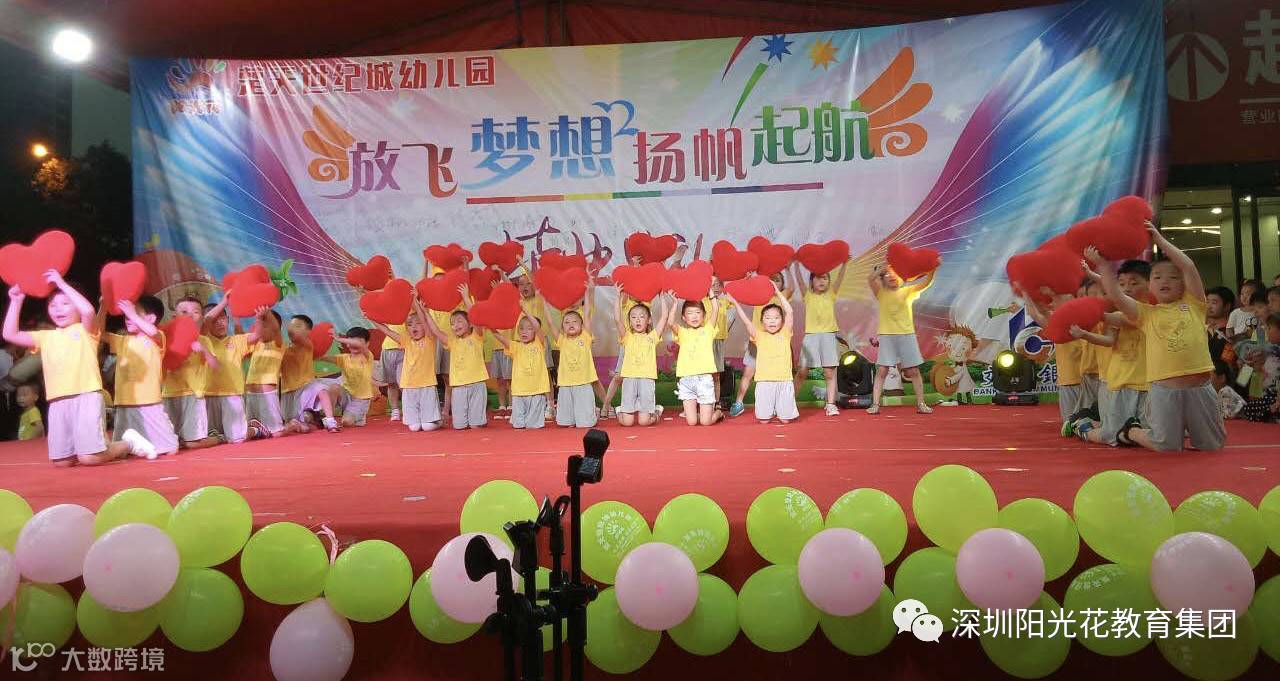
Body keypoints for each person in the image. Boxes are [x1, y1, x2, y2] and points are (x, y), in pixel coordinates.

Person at [3, 274, 156, 465]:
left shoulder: (87, 330)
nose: (58, 309)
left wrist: (61, 283)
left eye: (65, 303)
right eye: (53, 305)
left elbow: (88, 310)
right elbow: (10, 334)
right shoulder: (46, 337)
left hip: (86, 396)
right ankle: (98, 448)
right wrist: (16, 301)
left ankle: (129, 443)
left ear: (76, 303)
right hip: (58, 401)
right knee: (62, 461)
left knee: (89, 457)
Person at [1096, 226, 1225, 451]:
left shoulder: (1195, 304)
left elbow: (1188, 266)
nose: (1165, 280)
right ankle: (1131, 431)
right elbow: (1116, 295)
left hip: (1200, 388)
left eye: (1173, 277)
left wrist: (1159, 239)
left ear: (1183, 283)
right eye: (1157, 277)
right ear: (1150, 285)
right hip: (1164, 391)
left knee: (1212, 446)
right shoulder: (1145, 313)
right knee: (1166, 445)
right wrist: (1104, 266)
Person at [1069, 258, 1151, 445]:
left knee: (1143, 434)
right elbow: (1109, 340)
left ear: (1149, 283)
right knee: (1112, 436)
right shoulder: (1118, 314)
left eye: (1134, 283)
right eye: (1122, 284)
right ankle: (1082, 426)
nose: (1127, 288)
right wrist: (1084, 334)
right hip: (1121, 382)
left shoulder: (1154, 310)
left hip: (1150, 384)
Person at [99, 295, 178, 457]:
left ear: (151, 318)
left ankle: (158, 433)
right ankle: (134, 443)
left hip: (148, 402)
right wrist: (103, 308)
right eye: (127, 314)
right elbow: (98, 332)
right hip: (124, 402)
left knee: (170, 448)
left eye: (135, 312)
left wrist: (131, 312)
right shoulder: (122, 341)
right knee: (120, 452)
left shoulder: (157, 337)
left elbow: (152, 331)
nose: (128, 317)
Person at [866, 263, 935, 414]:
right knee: (882, 370)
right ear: (883, 279)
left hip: (907, 335)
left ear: (903, 277)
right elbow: (870, 279)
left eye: (895, 273)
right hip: (887, 336)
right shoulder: (880, 293)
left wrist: (933, 269)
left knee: (914, 370)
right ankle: (875, 404)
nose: (892, 276)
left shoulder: (908, 291)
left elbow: (926, 283)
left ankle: (921, 404)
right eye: (888, 274)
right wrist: (883, 269)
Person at [201, 298, 273, 442]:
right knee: (212, 435)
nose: (220, 323)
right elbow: (206, 321)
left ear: (228, 320)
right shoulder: (203, 339)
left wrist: (259, 319)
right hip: (207, 394)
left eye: (223, 318)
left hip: (232, 394)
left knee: (237, 438)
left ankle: (255, 429)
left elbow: (256, 336)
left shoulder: (236, 340)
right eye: (215, 320)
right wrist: (224, 301)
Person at [727, 281, 798, 424]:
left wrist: (777, 292)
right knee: (764, 421)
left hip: (784, 382)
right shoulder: (758, 335)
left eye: (776, 318)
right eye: (768, 318)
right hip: (764, 383)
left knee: (785, 420)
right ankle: (771, 409)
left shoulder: (785, 333)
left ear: (782, 320)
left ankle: (780, 409)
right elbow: (746, 321)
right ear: (762, 321)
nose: (772, 321)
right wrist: (735, 303)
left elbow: (790, 312)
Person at [371, 301, 443, 432]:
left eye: (418, 324)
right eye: (409, 325)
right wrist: (371, 318)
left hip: (426, 385)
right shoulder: (406, 340)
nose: (413, 327)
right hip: (409, 386)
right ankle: (421, 418)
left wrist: (418, 306)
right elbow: (386, 330)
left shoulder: (429, 339)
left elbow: (425, 322)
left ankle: (437, 421)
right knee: (414, 427)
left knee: (427, 427)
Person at [425, 285, 489, 430]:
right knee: (459, 426)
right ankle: (477, 417)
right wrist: (426, 313)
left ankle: (479, 418)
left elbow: (476, 317)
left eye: (459, 321)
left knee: (475, 426)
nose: (455, 325)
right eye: (452, 323)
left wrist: (466, 297)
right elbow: (436, 331)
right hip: (458, 387)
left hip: (477, 384)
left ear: (469, 323)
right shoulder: (452, 341)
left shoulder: (477, 336)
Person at [162, 296, 222, 450]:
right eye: (184, 312)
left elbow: (215, 365)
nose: (189, 315)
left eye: (195, 312)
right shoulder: (166, 338)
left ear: (201, 317)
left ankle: (218, 438)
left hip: (193, 395)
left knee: (191, 443)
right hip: (169, 394)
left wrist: (203, 350)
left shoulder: (204, 340)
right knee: (169, 440)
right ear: (174, 316)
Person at [794, 260, 849, 416]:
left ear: (829, 282)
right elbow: (799, 281)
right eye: (818, 278)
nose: (821, 281)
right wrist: (796, 266)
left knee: (829, 372)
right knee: (802, 372)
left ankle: (830, 404)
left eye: (825, 278)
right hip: (811, 337)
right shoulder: (807, 295)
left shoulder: (831, 293)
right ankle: (789, 402)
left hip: (828, 336)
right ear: (811, 281)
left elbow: (840, 278)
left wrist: (844, 264)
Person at [614, 285, 668, 427]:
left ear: (649, 320)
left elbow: (664, 317)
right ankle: (619, 410)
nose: (637, 320)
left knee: (644, 422)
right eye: (633, 317)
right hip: (629, 379)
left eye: (642, 317)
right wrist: (618, 296)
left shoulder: (652, 337)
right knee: (627, 423)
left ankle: (656, 411)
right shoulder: (627, 337)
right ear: (630, 321)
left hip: (646, 379)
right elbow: (617, 319)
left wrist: (661, 296)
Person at [548, 284, 600, 429]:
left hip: (583, 383)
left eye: (575, 321)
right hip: (565, 385)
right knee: (564, 423)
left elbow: (587, 312)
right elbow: (550, 322)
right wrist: (543, 300)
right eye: (567, 322)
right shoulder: (561, 340)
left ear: (582, 325)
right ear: (562, 327)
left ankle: (594, 413)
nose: (571, 324)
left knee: (585, 425)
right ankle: (579, 414)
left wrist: (588, 289)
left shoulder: (586, 336)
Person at [668, 294, 724, 426]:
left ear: (704, 315)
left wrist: (711, 295)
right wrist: (675, 303)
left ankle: (718, 413)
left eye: (698, 312)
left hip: (704, 380)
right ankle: (705, 412)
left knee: (705, 422)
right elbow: (670, 323)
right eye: (690, 313)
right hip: (686, 380)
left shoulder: (708, 330)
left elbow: (715, 309)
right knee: (692, 422)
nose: (694, 316)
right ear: (684, 317)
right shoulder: (682, 332)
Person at [280, 314, 341, 432]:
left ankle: (330, 421)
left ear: (308, 332)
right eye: (291, 326)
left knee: (321, 390)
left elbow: (299, 337)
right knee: (303, 427)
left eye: (298, 326)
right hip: (288, 392)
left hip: (306, 385)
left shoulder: (307, 345)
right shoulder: (284, 349)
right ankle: (307, 421)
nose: (292, 329)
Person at [244, 310, 301, 437]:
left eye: (265, 326)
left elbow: (275, 327)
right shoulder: (256, 344)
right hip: (251, 393)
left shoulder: (278, 343)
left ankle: (293, 424)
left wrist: (267, 313)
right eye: (260, 326)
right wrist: (237, 318)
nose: (261, 329)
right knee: (251, 427)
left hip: (267, 393)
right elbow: (241, 340)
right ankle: (260, 430)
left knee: (276, 433)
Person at [493, 314, 550, 429]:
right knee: (518, 425)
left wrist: (526, 312)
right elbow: (501, 338)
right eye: (522, 328)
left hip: (536, 391)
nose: (524, 332)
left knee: (533, 426)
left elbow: (537, 327)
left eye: (529, 329)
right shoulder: (515, 346)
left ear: (535, 331)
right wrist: (489, 327)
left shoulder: (539, 344)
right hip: (519, 392)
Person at [331, 327, 376, 427]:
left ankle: (358, 417)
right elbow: (322, 357)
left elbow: (359, 344)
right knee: (334, 387)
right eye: (350, 341)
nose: (353, 344)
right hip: (346, 394)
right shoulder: (344, 358)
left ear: (367, 344)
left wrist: (338, 339)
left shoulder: (367, 356)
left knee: (346, 422)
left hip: (361, 399)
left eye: (358, 340)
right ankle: (329, 419)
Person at [1240, 313, 1280, 422]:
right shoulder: (1259, 336)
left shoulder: (1273, 349)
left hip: (1275, 395)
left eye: (1269, 329)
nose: (1267, 331)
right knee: (1249, 408)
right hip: (1266, 390)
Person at [376, 321, 406, 422]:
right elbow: (381, 322)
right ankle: (395, 410)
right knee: (391, 383)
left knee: (403, 383)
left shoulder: (411, 312)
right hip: (387, 348)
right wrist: (369, 316)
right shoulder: (391, 314)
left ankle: (408, 410)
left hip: (405, 348)